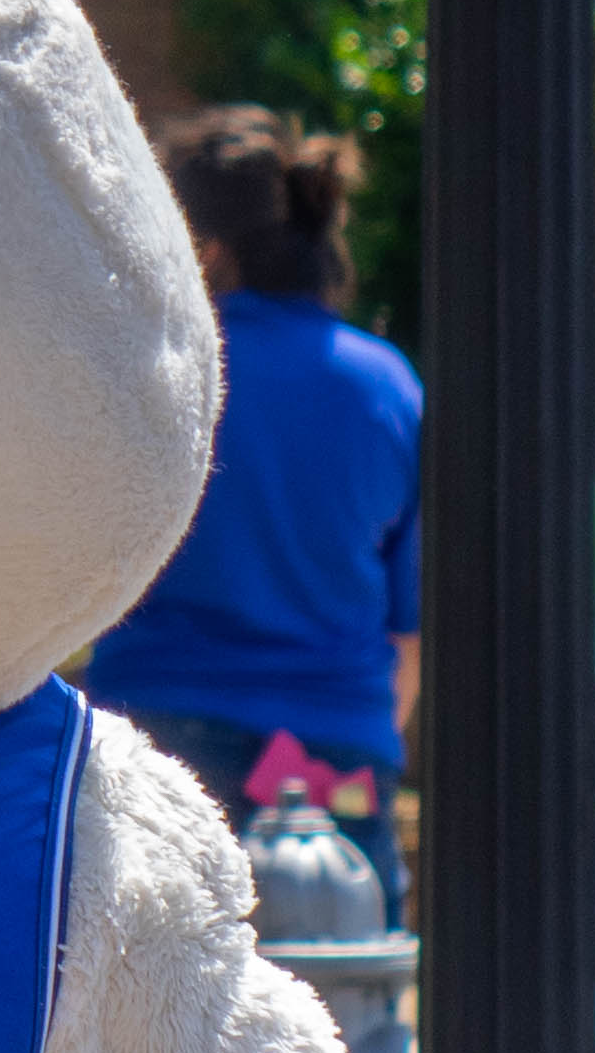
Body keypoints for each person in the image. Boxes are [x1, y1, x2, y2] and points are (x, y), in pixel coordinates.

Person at [83, 106, 421, 910]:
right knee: (344, 1019)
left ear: (202, 247)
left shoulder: (155, 375)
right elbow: (407, 634)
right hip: (336, 761)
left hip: (158, 742)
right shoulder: (387, 390)